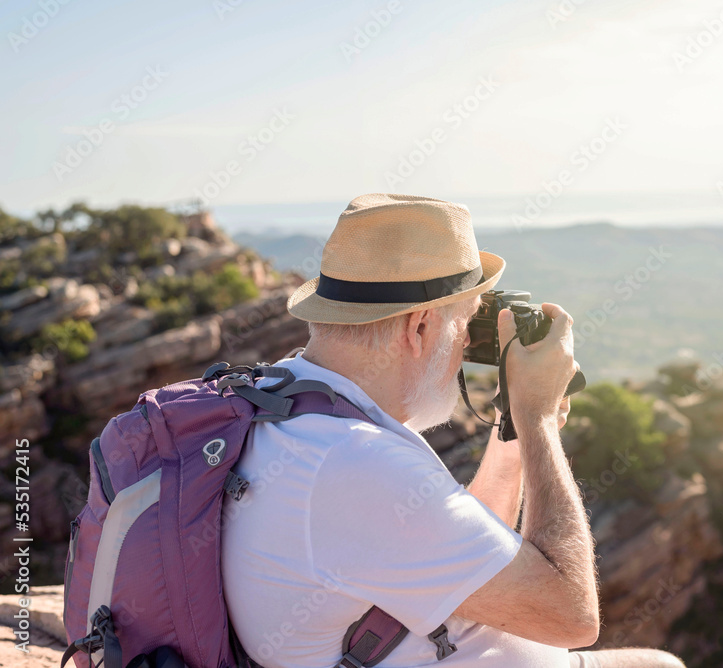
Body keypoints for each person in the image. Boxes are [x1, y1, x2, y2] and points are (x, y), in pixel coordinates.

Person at [221, 193, 685, 668]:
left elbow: (462, 545)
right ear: (420, 328)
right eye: (466, 320)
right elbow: (574, 618)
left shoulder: (294, 399)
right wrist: (539, 421)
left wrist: (513, 431)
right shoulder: (357, 464)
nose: (466, 343)